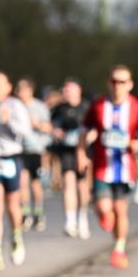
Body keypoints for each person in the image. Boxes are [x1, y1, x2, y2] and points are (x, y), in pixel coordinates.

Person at [77, 64, 138, 269]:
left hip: (125, 168)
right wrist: (81, 153)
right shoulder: (98, 106)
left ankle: (119, 249)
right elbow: (84, 129)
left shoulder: (136, 107)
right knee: (103, 207)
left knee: (121, 210)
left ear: (129, 85)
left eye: (122, 82)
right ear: (108, 83)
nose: (117, 85)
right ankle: (106, 216)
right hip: (102, 166)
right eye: (114, 81)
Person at [0, 72, 32, 270]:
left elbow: (26, 132)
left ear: (9, 87)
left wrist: (9, 121)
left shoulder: (15, 106)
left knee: (12, 206)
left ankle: (16, 237)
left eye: (0, 84)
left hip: (11, 158)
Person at [50, 78, 91, 239]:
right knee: (68, 183)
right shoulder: (59, 109)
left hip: (84, 150)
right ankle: (70, 221)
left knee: (83, 187)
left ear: (78, 91)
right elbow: (51, 125)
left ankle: (83, 218)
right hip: (66, 151)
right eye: (65, 90)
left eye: (70, 90)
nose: (67, 93)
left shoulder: (87, 107)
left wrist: (90, 137)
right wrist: (55, 131)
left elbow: (95, 127)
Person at [15, 77, 51, 231]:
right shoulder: (14, 106)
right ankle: (25, 213)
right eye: (18, 90)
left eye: (23, 89)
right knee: (22, 182)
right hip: (19, 149)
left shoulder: (40, 107)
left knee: (35, 183)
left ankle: (38, 211)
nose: (20, 93)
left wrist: (37, 124)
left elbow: (49, 128)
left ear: (30, 90)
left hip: (35, 149)